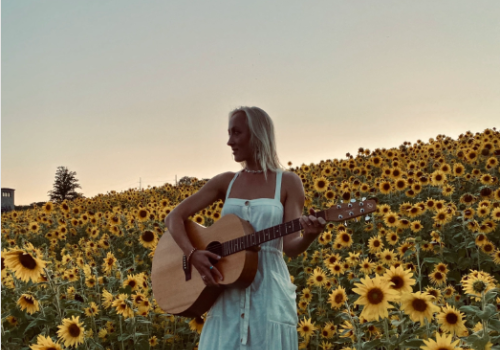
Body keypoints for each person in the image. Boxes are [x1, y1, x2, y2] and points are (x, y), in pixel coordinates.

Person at [165, 106, 326, 349]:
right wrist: (193, 254)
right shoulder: (225, 182)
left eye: (236, 133)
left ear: (258, 135)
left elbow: (291, 247)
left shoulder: (289, 183)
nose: (229, 141)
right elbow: (174, 218)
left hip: (269, 293)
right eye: (229, 133)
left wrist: (310, 236)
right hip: (226, 289)